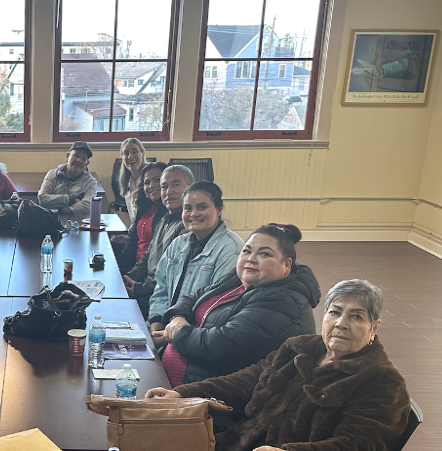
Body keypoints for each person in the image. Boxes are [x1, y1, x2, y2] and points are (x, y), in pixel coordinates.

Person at [147, 280, 411, 451]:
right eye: (335, 312)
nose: (341, 323)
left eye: (356, 316)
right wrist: (184, 394)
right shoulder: (300, 347)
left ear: (374, 327)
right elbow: (246, 381)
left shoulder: (381, 381)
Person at [156, 223, 320, 386]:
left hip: (209, 394)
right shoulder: (240, 279)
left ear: (286, 265)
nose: (251, 259)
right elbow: (195, 296)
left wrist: (178, 333)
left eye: (264, 254)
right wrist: (178, 317)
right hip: (178, 376)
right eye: (247, 251)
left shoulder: (284, 302)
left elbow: (220, 346)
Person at [148, 181, 244, 343]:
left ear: (219, 209)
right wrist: (155, 324)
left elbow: (214, 308)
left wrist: (170, 336)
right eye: (188, 208)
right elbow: (161, 289)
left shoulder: (231, 250)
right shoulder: (178, 244)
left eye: (201, 207)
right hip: (166, 328)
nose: (193, 214)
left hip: (196, 337)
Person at [123, 164, 194, 316]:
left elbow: (168, 276)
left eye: (176, 185)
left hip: (160, 298)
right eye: (164, 187)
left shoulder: (186, 227)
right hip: (147, 287)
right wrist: (128, 277)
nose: (169, 192)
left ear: (190, 188)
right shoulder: (164, 220)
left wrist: (138, 288)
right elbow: (147, 257)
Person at [116, 161, 167, 274]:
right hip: (133, 266)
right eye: (147, 182)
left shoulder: (169, 212)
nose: (151, 186)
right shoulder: (145, 205)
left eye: (157, 180)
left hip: (148, 273)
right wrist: (118, 268)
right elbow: (132, 239)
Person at [37, 141, 98, 215]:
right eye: (76, 156)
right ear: (67, 157)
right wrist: (72, 200)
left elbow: (87, 207)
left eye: (83, 158)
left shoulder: (91, 182)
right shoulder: (52, 174)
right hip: (50, 222)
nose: (79, 160)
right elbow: (42, 199)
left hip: (76, 223)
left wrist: (58, 208)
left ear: (86, 164)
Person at [115, 137, 147, 217]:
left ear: (142, 153)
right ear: (122, 158)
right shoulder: (129, 182)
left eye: (134, 152)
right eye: (126, 153)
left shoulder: (150, 179)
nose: (130, 156)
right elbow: (134, 218)